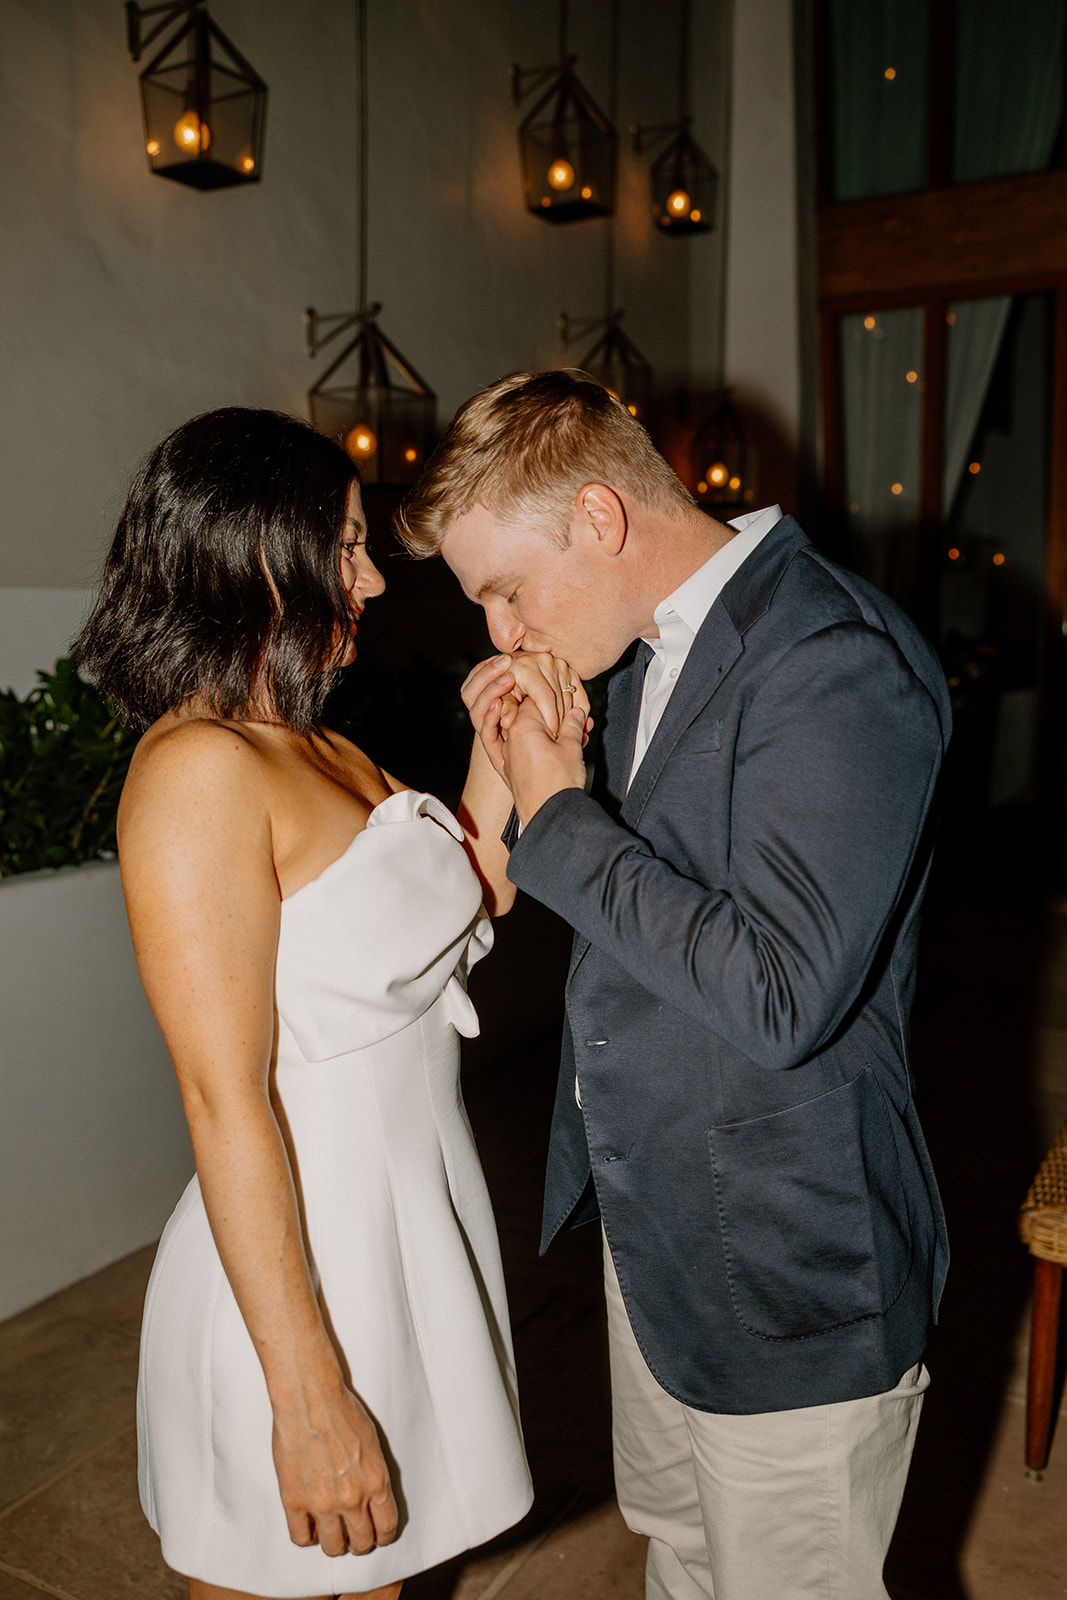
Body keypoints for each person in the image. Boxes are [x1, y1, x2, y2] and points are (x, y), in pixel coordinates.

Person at [394, 369, 952, 1600]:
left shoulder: (831, 658)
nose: (502, 629)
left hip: (788, 1264)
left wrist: (558, 812)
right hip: (657, 1242)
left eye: (504, 588)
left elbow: (778, 993)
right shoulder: (642, 651)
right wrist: (529, 773)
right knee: (684, 1557)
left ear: (597, 519)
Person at [74, 407, 587, 1600]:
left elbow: (467, 897)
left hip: (406, 1233)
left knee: (386, 1582)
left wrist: (501, 743)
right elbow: (223, 1099)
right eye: (346, 542)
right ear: (261, 553)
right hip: (298, 1265)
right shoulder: (197, 771)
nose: (367, 575)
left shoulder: (320, 745)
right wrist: (305, 1389)